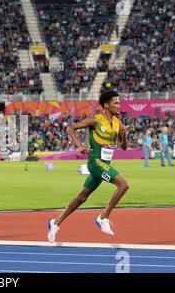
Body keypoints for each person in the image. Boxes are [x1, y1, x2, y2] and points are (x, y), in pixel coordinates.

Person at [48, 90, 130, 243]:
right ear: (106, 105)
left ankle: (55, 223)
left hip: (104, 164)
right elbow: (70, 128)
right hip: (95, 163)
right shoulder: (95, 120)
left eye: (119, 103)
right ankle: (103, 218)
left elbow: (124, 147)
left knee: (82, 197)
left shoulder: (118, 123)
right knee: (123, 185)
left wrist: (124, 135)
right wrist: (79, 145)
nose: (119, 106)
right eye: (116, 103)